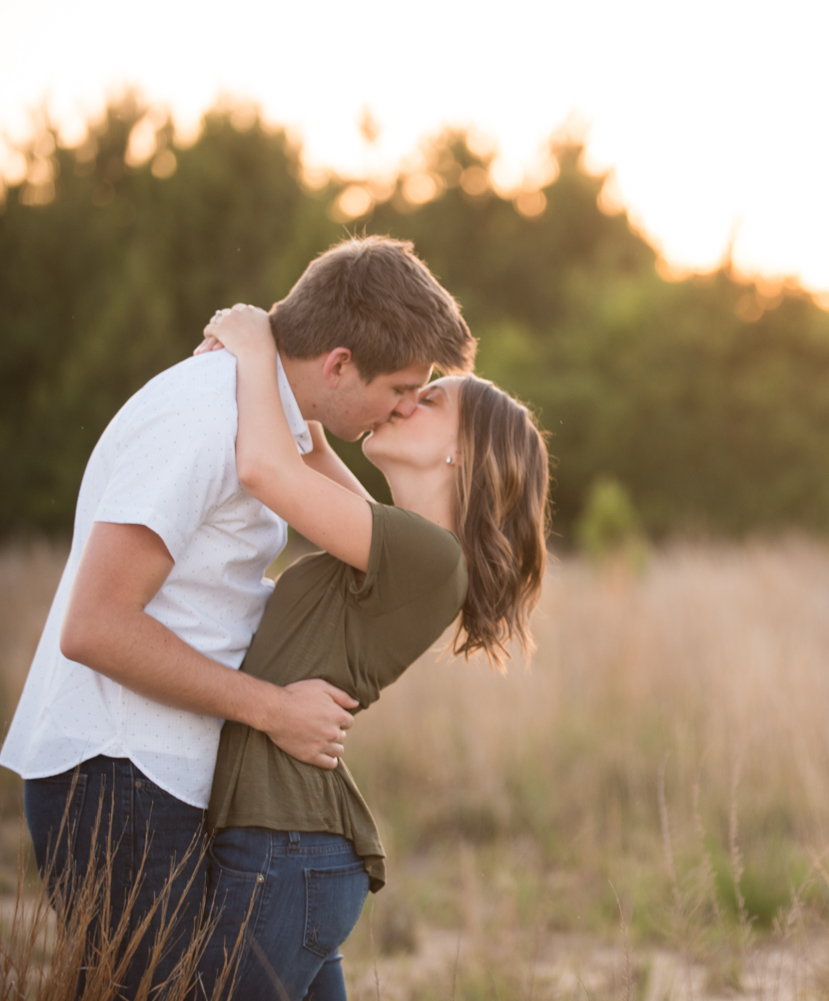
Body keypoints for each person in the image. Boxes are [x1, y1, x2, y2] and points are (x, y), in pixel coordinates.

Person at [0, 236, 475, 996]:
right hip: (122, 776)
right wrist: (274, 710)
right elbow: (96, 625)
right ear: (340, 364)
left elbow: (359, 522)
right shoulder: (204, 415)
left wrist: (264, 352)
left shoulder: (268, 421)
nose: (403, 404)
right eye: (399, 387)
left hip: (166, 777)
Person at [193, 304, 549, 999]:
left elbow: (268, 467)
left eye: (430, 398)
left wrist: (255, 341)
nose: (406, 401)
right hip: (295, 850)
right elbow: (309, 448)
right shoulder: (404, 544)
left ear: (463, 454)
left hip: (283, 848)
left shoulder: (427, 555)